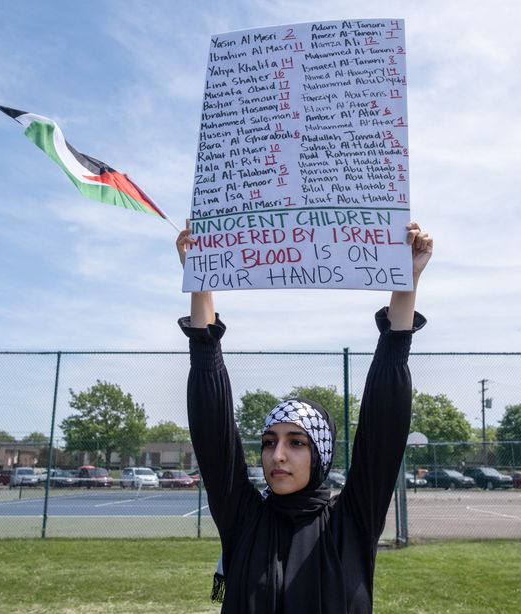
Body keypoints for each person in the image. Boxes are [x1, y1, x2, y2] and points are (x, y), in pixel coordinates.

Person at [176, 221, 433, 614]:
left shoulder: (351, 521)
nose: (276, 455)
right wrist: (201, 276)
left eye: (296, 442)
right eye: (268, 442)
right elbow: (213, 426)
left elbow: (384, 418)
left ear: (321, 456)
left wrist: (406, 279)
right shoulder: (242, 518)